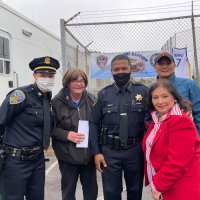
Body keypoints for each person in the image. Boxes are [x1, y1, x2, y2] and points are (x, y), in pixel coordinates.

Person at [89, 54, 149, 200]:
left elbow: (153, 119)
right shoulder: (104, 94)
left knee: (135, 192)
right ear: (111, 71)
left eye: (124, 68)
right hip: (110, 152)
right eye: (116, 69)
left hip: (135, 151)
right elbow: (93, 123)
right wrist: (96, 152)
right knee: (111, 193)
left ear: (131, 70)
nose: (120, 72)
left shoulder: (143, 92)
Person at [0, 56, 60, 200]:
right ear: (34, 75)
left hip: (37, 160)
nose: (47, 78)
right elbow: (1, 121)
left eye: (50, 75)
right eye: (42, 75)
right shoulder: (21, 95)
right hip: (16, 161)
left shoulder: (47, 99)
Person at [142, 79, 200, 200]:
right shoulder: (158, 119)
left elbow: (177, 162)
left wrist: (157, 185)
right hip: (169, 184)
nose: (160, 101)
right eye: (155, 97)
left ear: (174, 97)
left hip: (182, 187)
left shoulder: (180, 121)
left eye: (165, 96)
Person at [52, 68, 98, 200]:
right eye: (75, 81)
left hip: (88, 157)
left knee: (91, 192)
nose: (79, 83)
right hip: (67, 157)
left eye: (82, 80)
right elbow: (50, 129)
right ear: (67, 83)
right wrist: (67, 135)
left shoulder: (92, 99)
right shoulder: (56, 102)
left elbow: (98, 123)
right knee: (68, 192)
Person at [154, 51, 200, 135]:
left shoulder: (189, 84)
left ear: (174, 66)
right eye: (161, 63)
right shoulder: (151, 88)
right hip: (160, 137)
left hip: (185, 135)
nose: (164, 66)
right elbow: (148, 116)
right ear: (155, 67)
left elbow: (198, 112)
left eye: (168, 63)